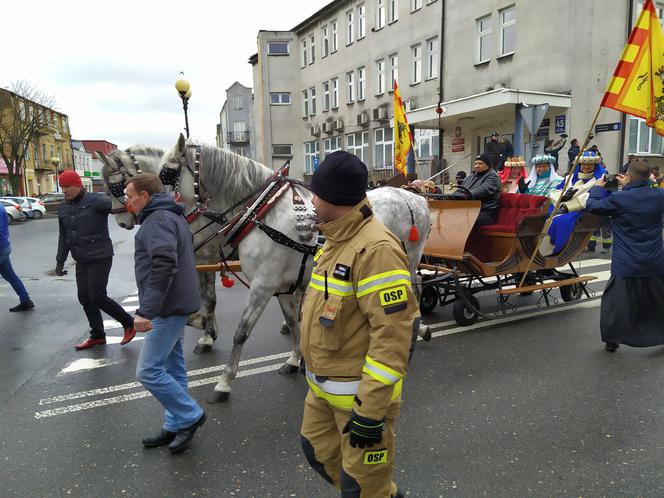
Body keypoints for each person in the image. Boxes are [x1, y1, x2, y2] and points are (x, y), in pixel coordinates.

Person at [300, 150, 420, 498]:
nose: (312, 199)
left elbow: (393, 337)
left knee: (364, 488)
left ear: (333, 198)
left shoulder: (376, 249)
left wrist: (370, 412)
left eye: (316, 193)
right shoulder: (336, 239)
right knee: (317, 452)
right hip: (324, 390)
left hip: (359, 401)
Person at [125, 173, 205, 455]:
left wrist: (145, 310)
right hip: (175, 303)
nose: (127, 202)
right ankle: (175, 423)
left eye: (130, 196)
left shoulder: (157, 220)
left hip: (166, 307)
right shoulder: (169, 215)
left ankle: (190, 415)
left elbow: (164, 265)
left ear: (144, 196)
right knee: (173, 368)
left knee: (148, 371)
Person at [586, 160, 664, 352]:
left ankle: (612, 339)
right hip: (654, 260)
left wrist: (597, 187)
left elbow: (593, 206)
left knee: (616, 302)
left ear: (628, 176)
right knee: (658, 301)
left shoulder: (619, 199)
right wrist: (636, 185)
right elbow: (645, 193)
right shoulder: (660, 195)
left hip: (626, 261)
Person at [55, 170, 135, 350]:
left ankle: (128, 323)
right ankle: (97, 335)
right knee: (84, 297)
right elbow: (63, 236)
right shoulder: (63, 207)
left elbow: (120, 208)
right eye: (62, 187)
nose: (64, 190)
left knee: (97, 295)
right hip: (81, 258)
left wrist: (133, 205)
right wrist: (60, 261)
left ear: (78, 185)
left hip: (100, 255)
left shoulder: (96, 200)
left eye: (67, 186)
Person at [538, 150, 607, 256]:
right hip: (560, 206)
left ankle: (550, 250)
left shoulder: (600, 179)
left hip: (581, 211)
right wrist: (564, 196)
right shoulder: (570, 178)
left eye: (589, 164)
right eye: (583, 164)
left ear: (595, 165)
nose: (586, 167)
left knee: (559, 221)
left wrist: (569, 206)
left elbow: (596, 196)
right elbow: (556, 191)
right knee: (539, 217)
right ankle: (536, 247)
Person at [0, 203, 34, 312]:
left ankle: (26, 301)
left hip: (1, 248)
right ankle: (26, 301)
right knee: (11, 276)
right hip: (4, 246)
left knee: (11, 276)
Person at [454, 154, 501, 227]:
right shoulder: (470, 177)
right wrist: (448, 197)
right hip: (469, 210)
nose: (477, 166)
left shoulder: (493, 176)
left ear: (488, 165)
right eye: (476, 163)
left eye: (481, 163)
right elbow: (460, 190)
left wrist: (468, 194)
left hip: (485, 212)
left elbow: (484, 189)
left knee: (462, 219)